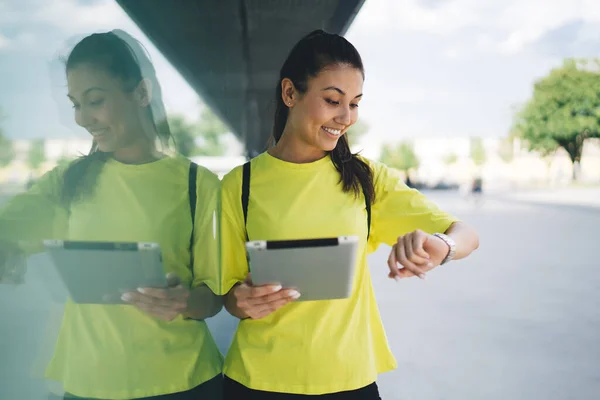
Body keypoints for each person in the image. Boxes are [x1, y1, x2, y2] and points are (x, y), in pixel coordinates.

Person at [219, 30, 480, 399]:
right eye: (332, 100)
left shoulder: (366, 180)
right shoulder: (239, 185)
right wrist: (239, 301)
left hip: (349, 381)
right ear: (290, 93)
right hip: (257, 381)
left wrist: (440, 246)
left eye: (355, 103)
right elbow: (227, 293)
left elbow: (466, 234)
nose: (346, 117)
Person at [0, 30, 223, 399]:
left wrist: (183, 301)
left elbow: (213, 297)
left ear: (141, 93)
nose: (84, 118)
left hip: (183, 381)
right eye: (76, 104)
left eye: (96, 100)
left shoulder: (198, 185)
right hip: (89, 384)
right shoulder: (65, 184)